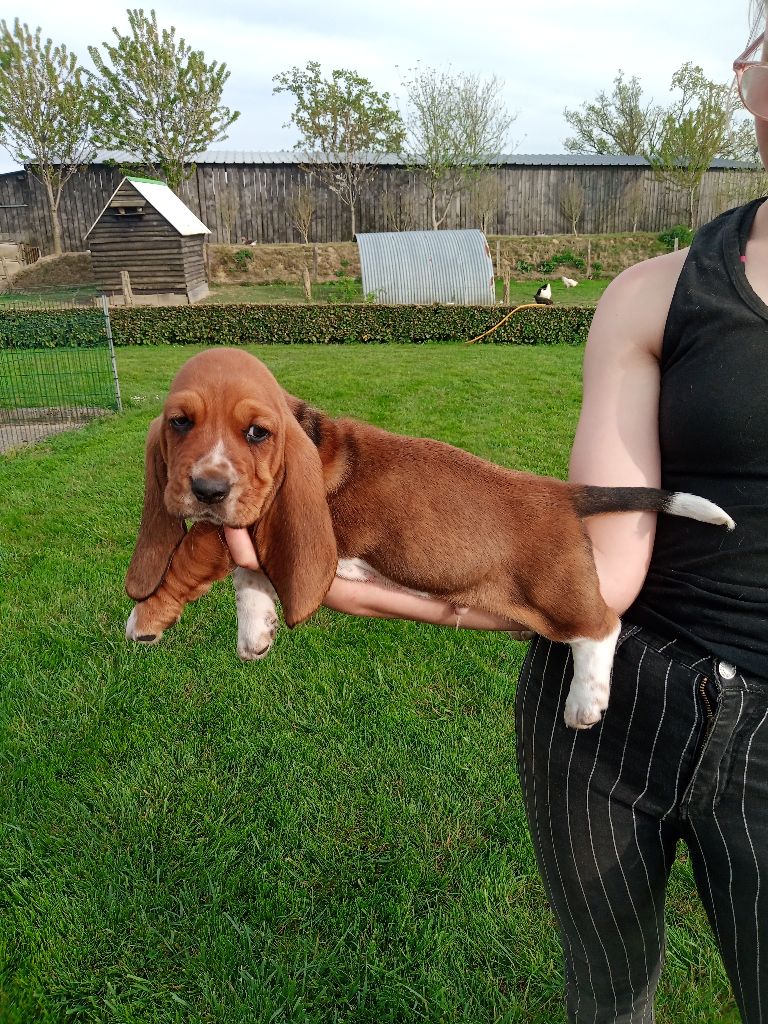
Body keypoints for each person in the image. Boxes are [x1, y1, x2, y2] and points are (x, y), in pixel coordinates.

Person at [225, 7, 768, 1019]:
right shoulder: (650, 296)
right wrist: (359, 578)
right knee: (606, 995)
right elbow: (604, 581)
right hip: (608, 717)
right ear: (750, 80)